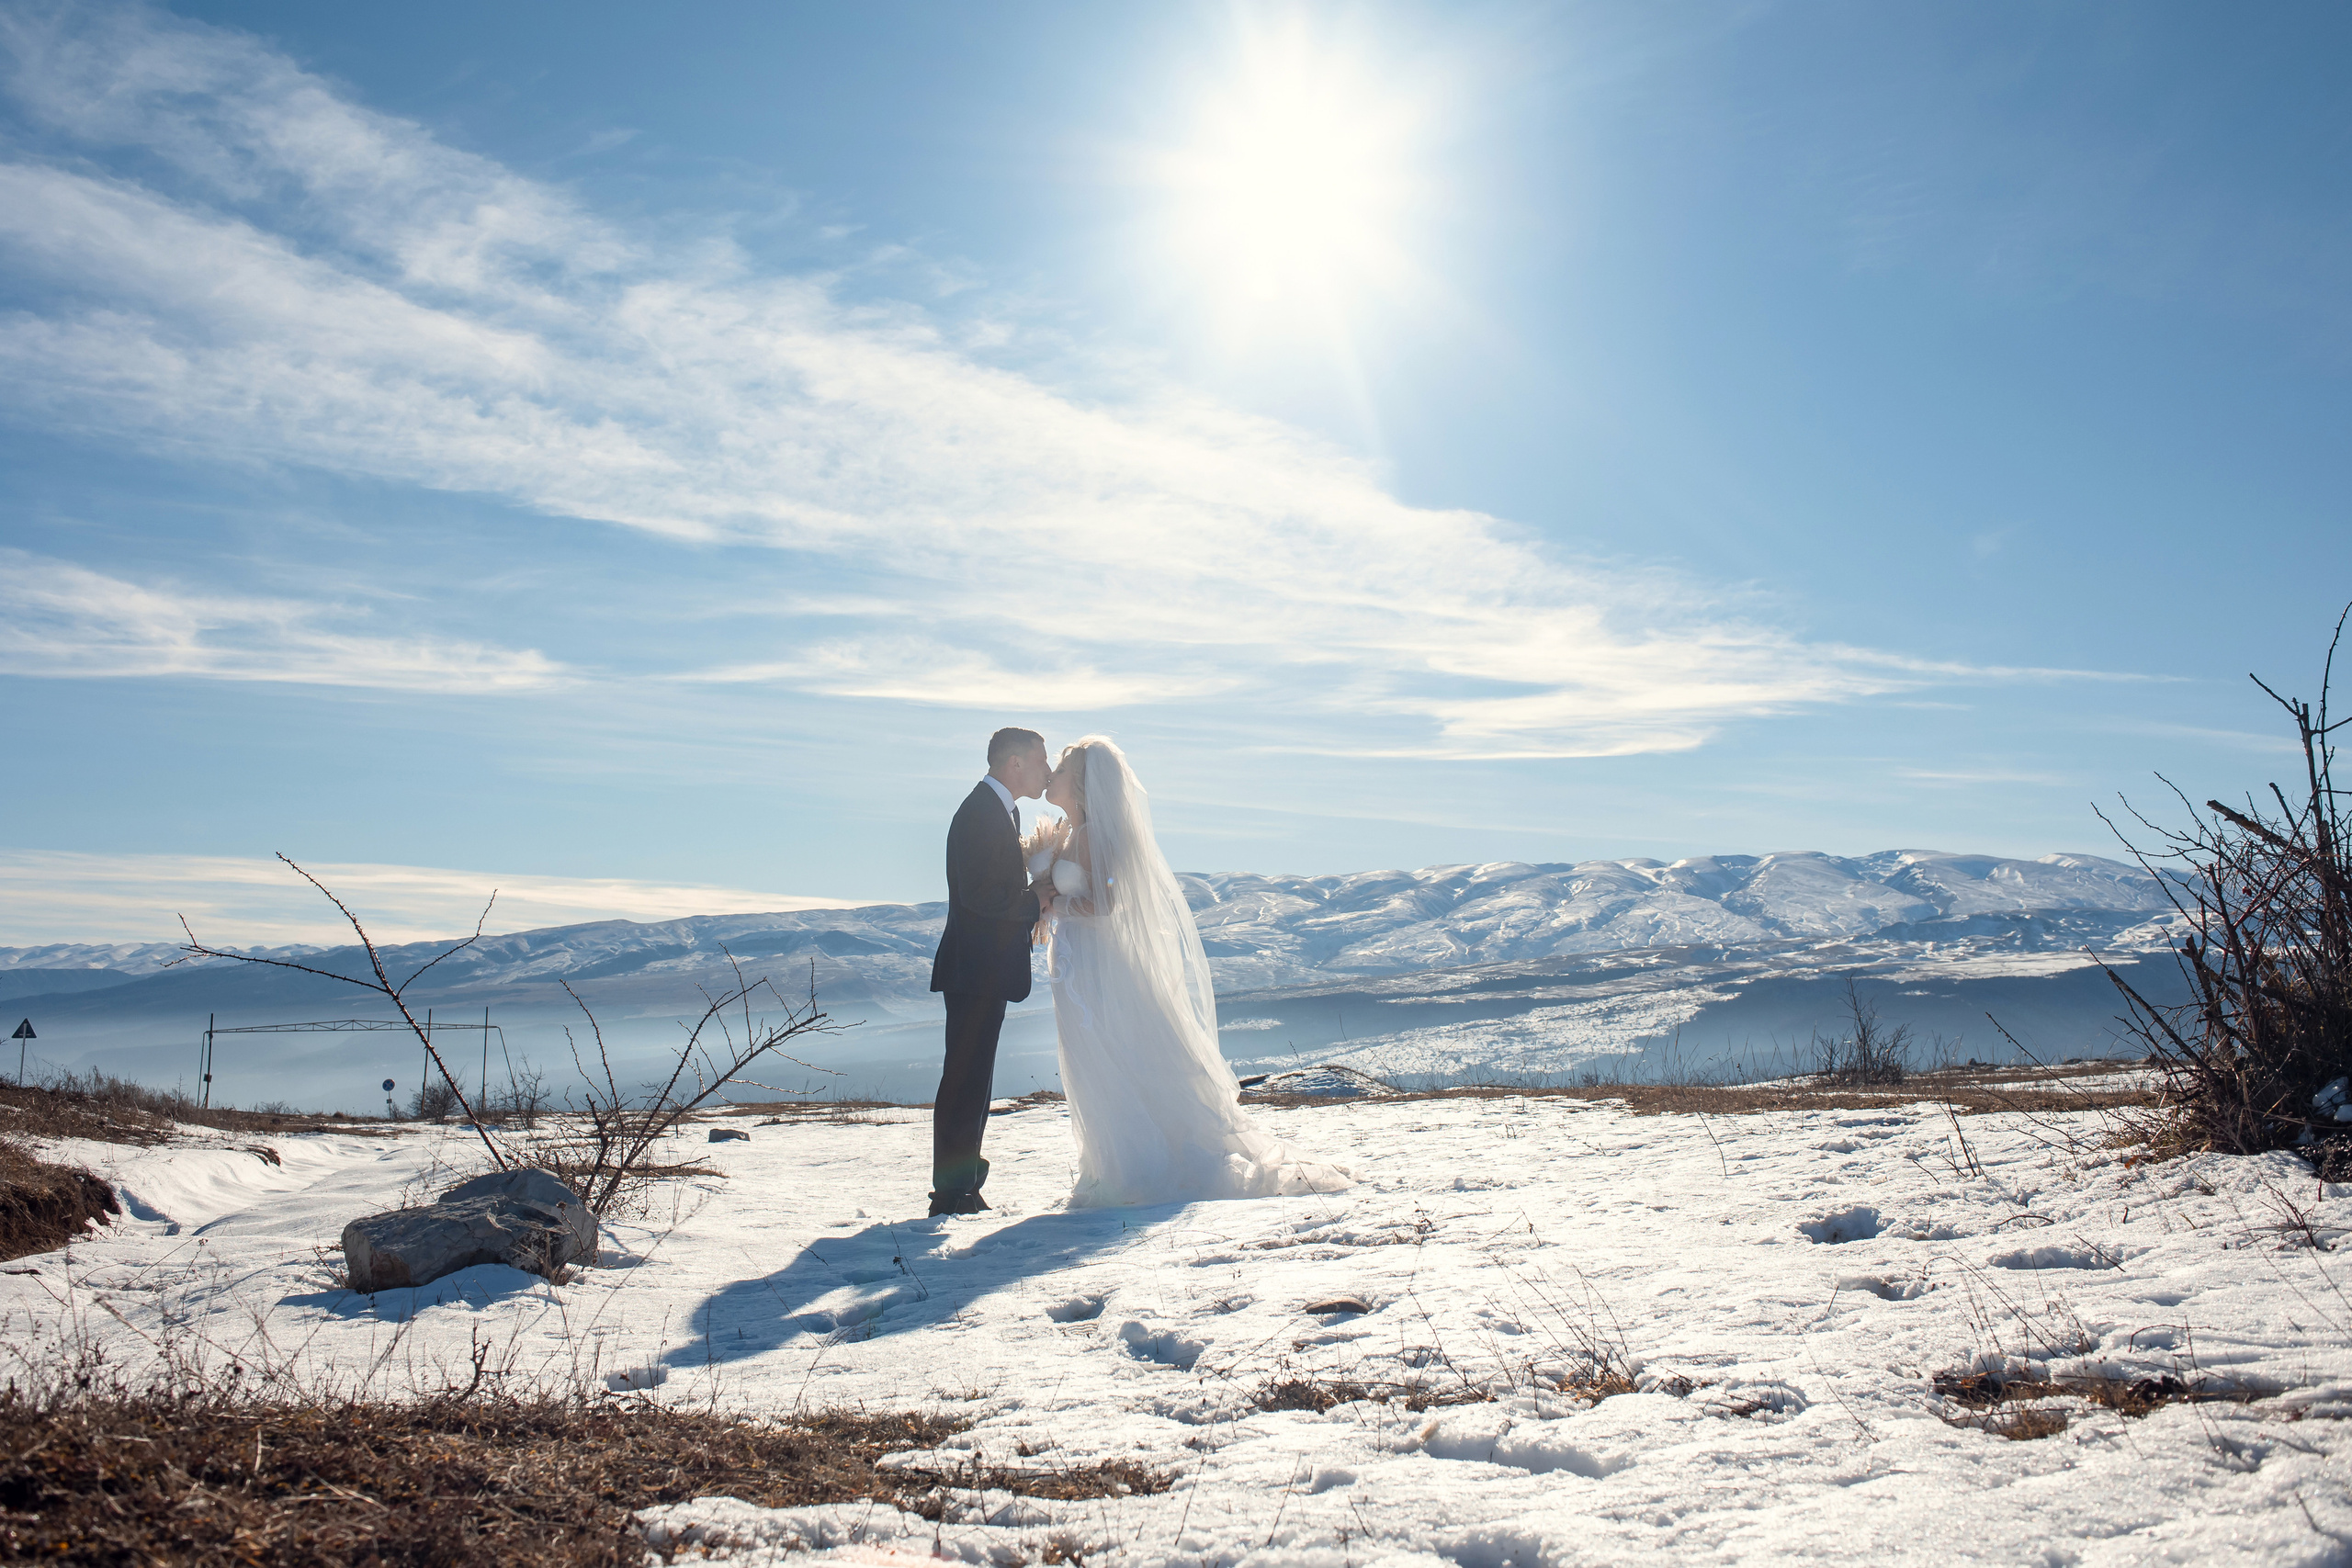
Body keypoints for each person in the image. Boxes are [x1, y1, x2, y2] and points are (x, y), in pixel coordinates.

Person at [1035, 736, 1351, 1207]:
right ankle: (1106, 1166)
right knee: (1095, 1058)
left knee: (1110, 1055)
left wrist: (1051, 904)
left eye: (1060, 770)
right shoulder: (1071, 834)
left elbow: (1106, 902)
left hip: (1097, 965)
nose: (1051, 777)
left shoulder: (1091, 836)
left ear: (1080, 784)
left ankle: (1131, 1167)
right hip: (1079, 964)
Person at [926, 727, 1055, 1216]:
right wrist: (1034, 900)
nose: (1047, 771)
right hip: (973, 969)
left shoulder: (1002, 810)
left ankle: (963, 1186)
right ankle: (951, 1194)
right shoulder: (980, 812)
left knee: (974, 1079)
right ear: (1014, 762)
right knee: (965, 1079)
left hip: (983, 969)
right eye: (1041, 760)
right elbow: (981, 895)